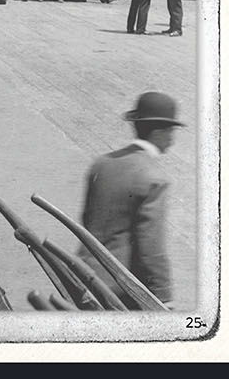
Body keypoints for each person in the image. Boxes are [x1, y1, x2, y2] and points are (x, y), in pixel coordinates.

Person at [79, 91, 185, 307]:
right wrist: (162, 297)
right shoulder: (154, 178)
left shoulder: (102, 163)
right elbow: (151, 247)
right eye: (171, 131)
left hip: (84, 274)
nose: (172, 139)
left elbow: (87, 219)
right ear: (158, 132)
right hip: (120, 289)